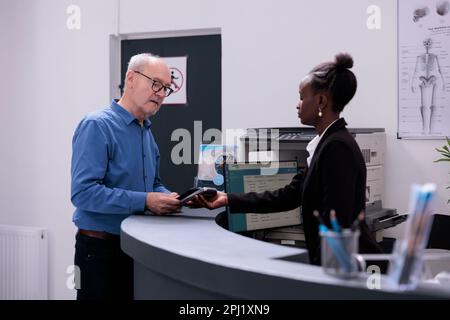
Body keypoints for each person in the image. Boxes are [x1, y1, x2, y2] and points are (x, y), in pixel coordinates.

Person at [193, 53, 384, 268]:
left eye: (302, 97)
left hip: (349, 266)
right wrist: (227, 199)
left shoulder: (337, 147)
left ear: (321, 101)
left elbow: (335, 223)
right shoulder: (325, 143)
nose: (297, 104)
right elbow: (288, 195)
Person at [71, 53, 181, 300]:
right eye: (155, 84)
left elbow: (153, 183)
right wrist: (145, 201)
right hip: (99, 252)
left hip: (134, 248)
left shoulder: (145, 131)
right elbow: (83, 193)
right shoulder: (97, 125)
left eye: (166, 88)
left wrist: (171, 199)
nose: (161, 93)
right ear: (131, 78)